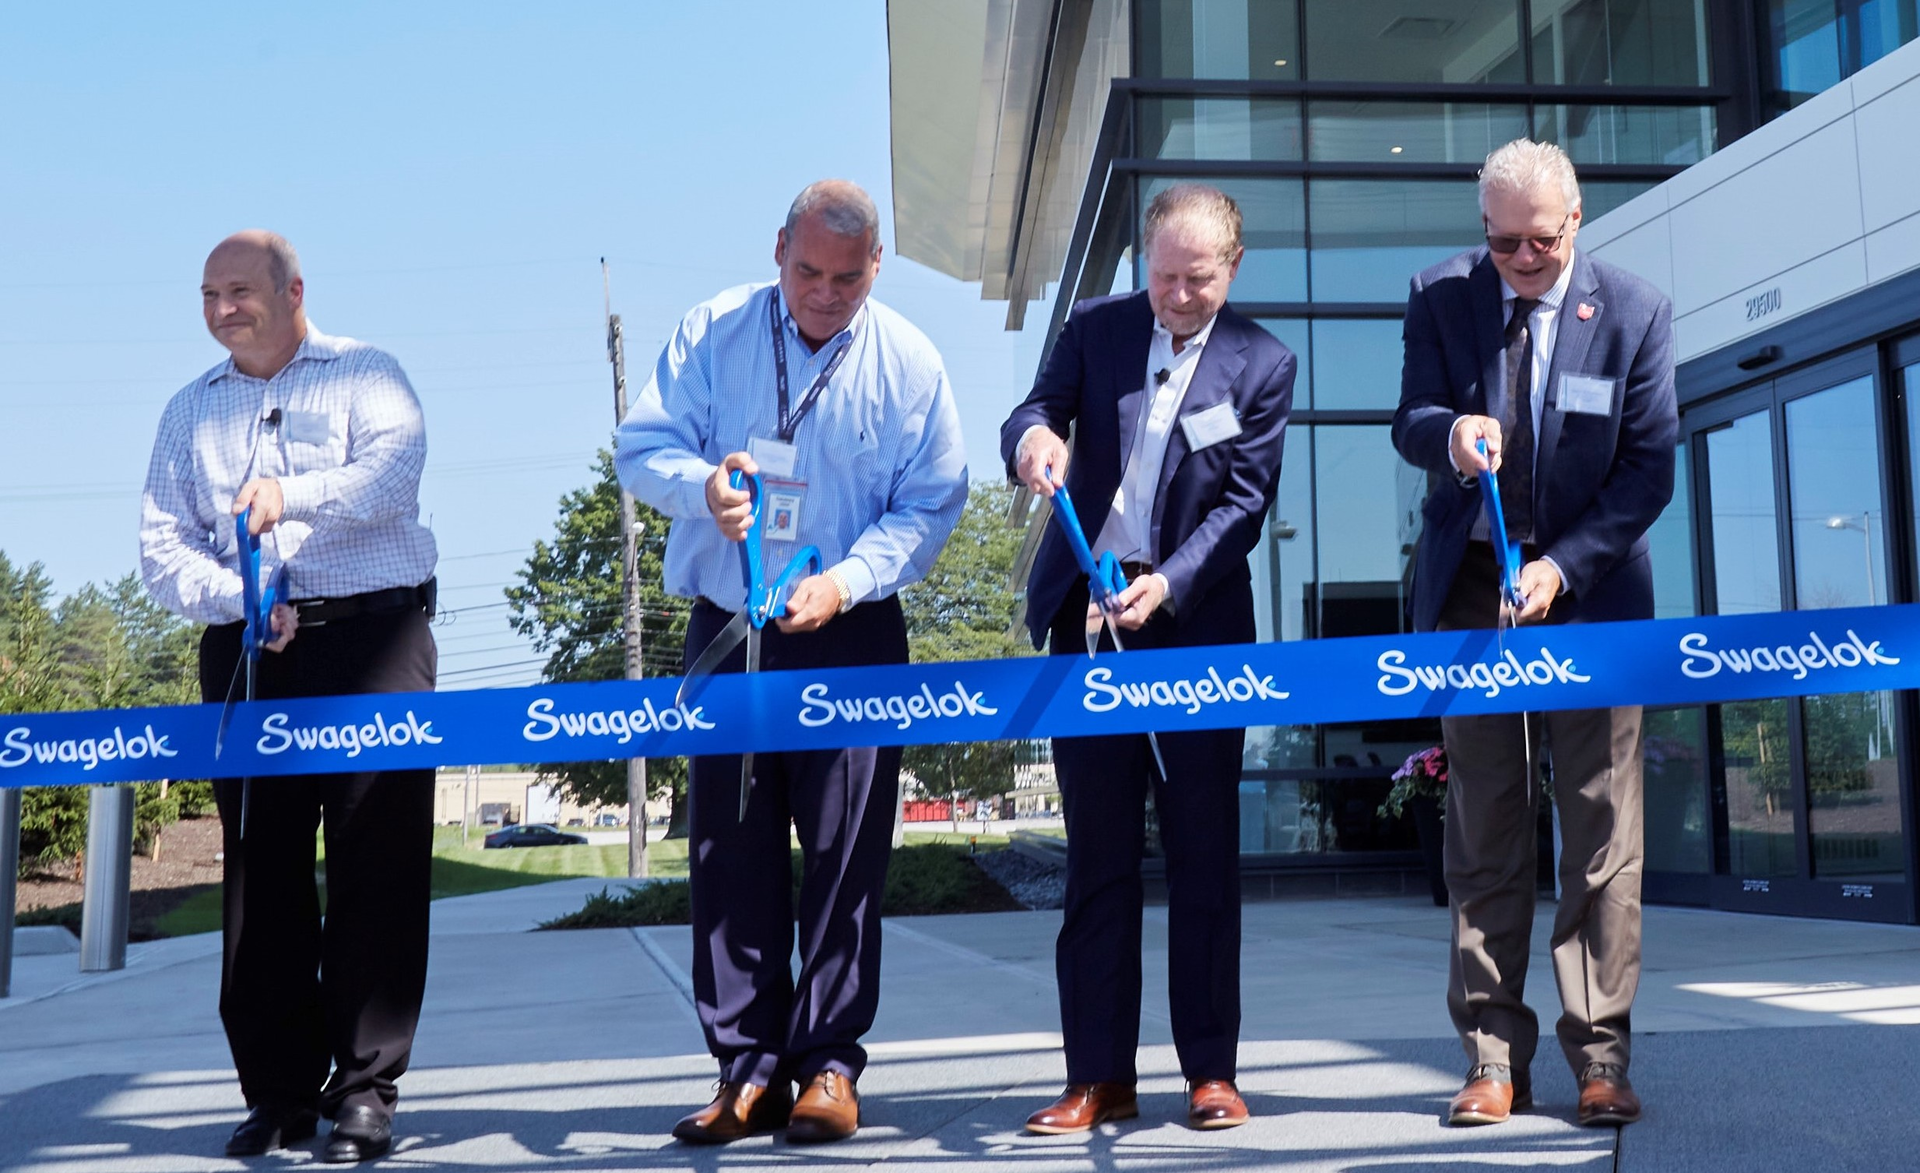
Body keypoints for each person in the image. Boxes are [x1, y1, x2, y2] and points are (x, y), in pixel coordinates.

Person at [615, 179, 967, 1145]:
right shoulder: (712, 332)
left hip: (849, 631)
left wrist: (849, 579)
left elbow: (933, 500)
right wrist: (704, 486)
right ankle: (746, 1068)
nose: (823, 293)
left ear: (877, 268)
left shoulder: (910, 363)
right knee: (729, 849)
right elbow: (641, 446)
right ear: (778, 250)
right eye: (807, 271)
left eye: (846, 279)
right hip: (730, 624)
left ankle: (829, 1066)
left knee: (849, 856)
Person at [1392, 139, 1677, 1129]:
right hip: (1474, 591)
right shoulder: (1440, 295)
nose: (1519, 259)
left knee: (1601, 833)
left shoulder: (1636, 312)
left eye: (1538, 242)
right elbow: (1413, 417)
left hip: (1588, 594)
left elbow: (1649, 472)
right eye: (1501, 241)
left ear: (1577, 217)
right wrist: (1451, 438)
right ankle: (1490, 1058)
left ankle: (1600, 1056)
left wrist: (1565, 565)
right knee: (1485, 830)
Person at [1000, 183, 1296, 1134]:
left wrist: (1168, 581)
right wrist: (1033, 437)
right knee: (1097, 857)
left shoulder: (1264, 363)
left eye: (1195, 278)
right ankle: (1097, 1075)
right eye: (1162, 274)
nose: (1174, 293)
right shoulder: (1098, 325)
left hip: (1194, 623)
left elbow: (1243, 504)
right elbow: (1035, 408)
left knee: (1204, 854)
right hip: (1087, 617)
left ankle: (1210, 1069)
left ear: (1232, 268)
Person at [140, 231, 440, 1162]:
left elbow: (392, 478)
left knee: (376, 866)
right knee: (259, 875)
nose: (225, 308)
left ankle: (364, 1091)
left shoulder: (366, 375)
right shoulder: (188, 411)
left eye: (241, 290)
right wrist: (243, 598)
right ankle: (276, 1092)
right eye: (209, 294)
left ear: (293, 289)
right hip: (250, 650)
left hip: (374, 636)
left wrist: (291, 494)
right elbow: (162, 547)